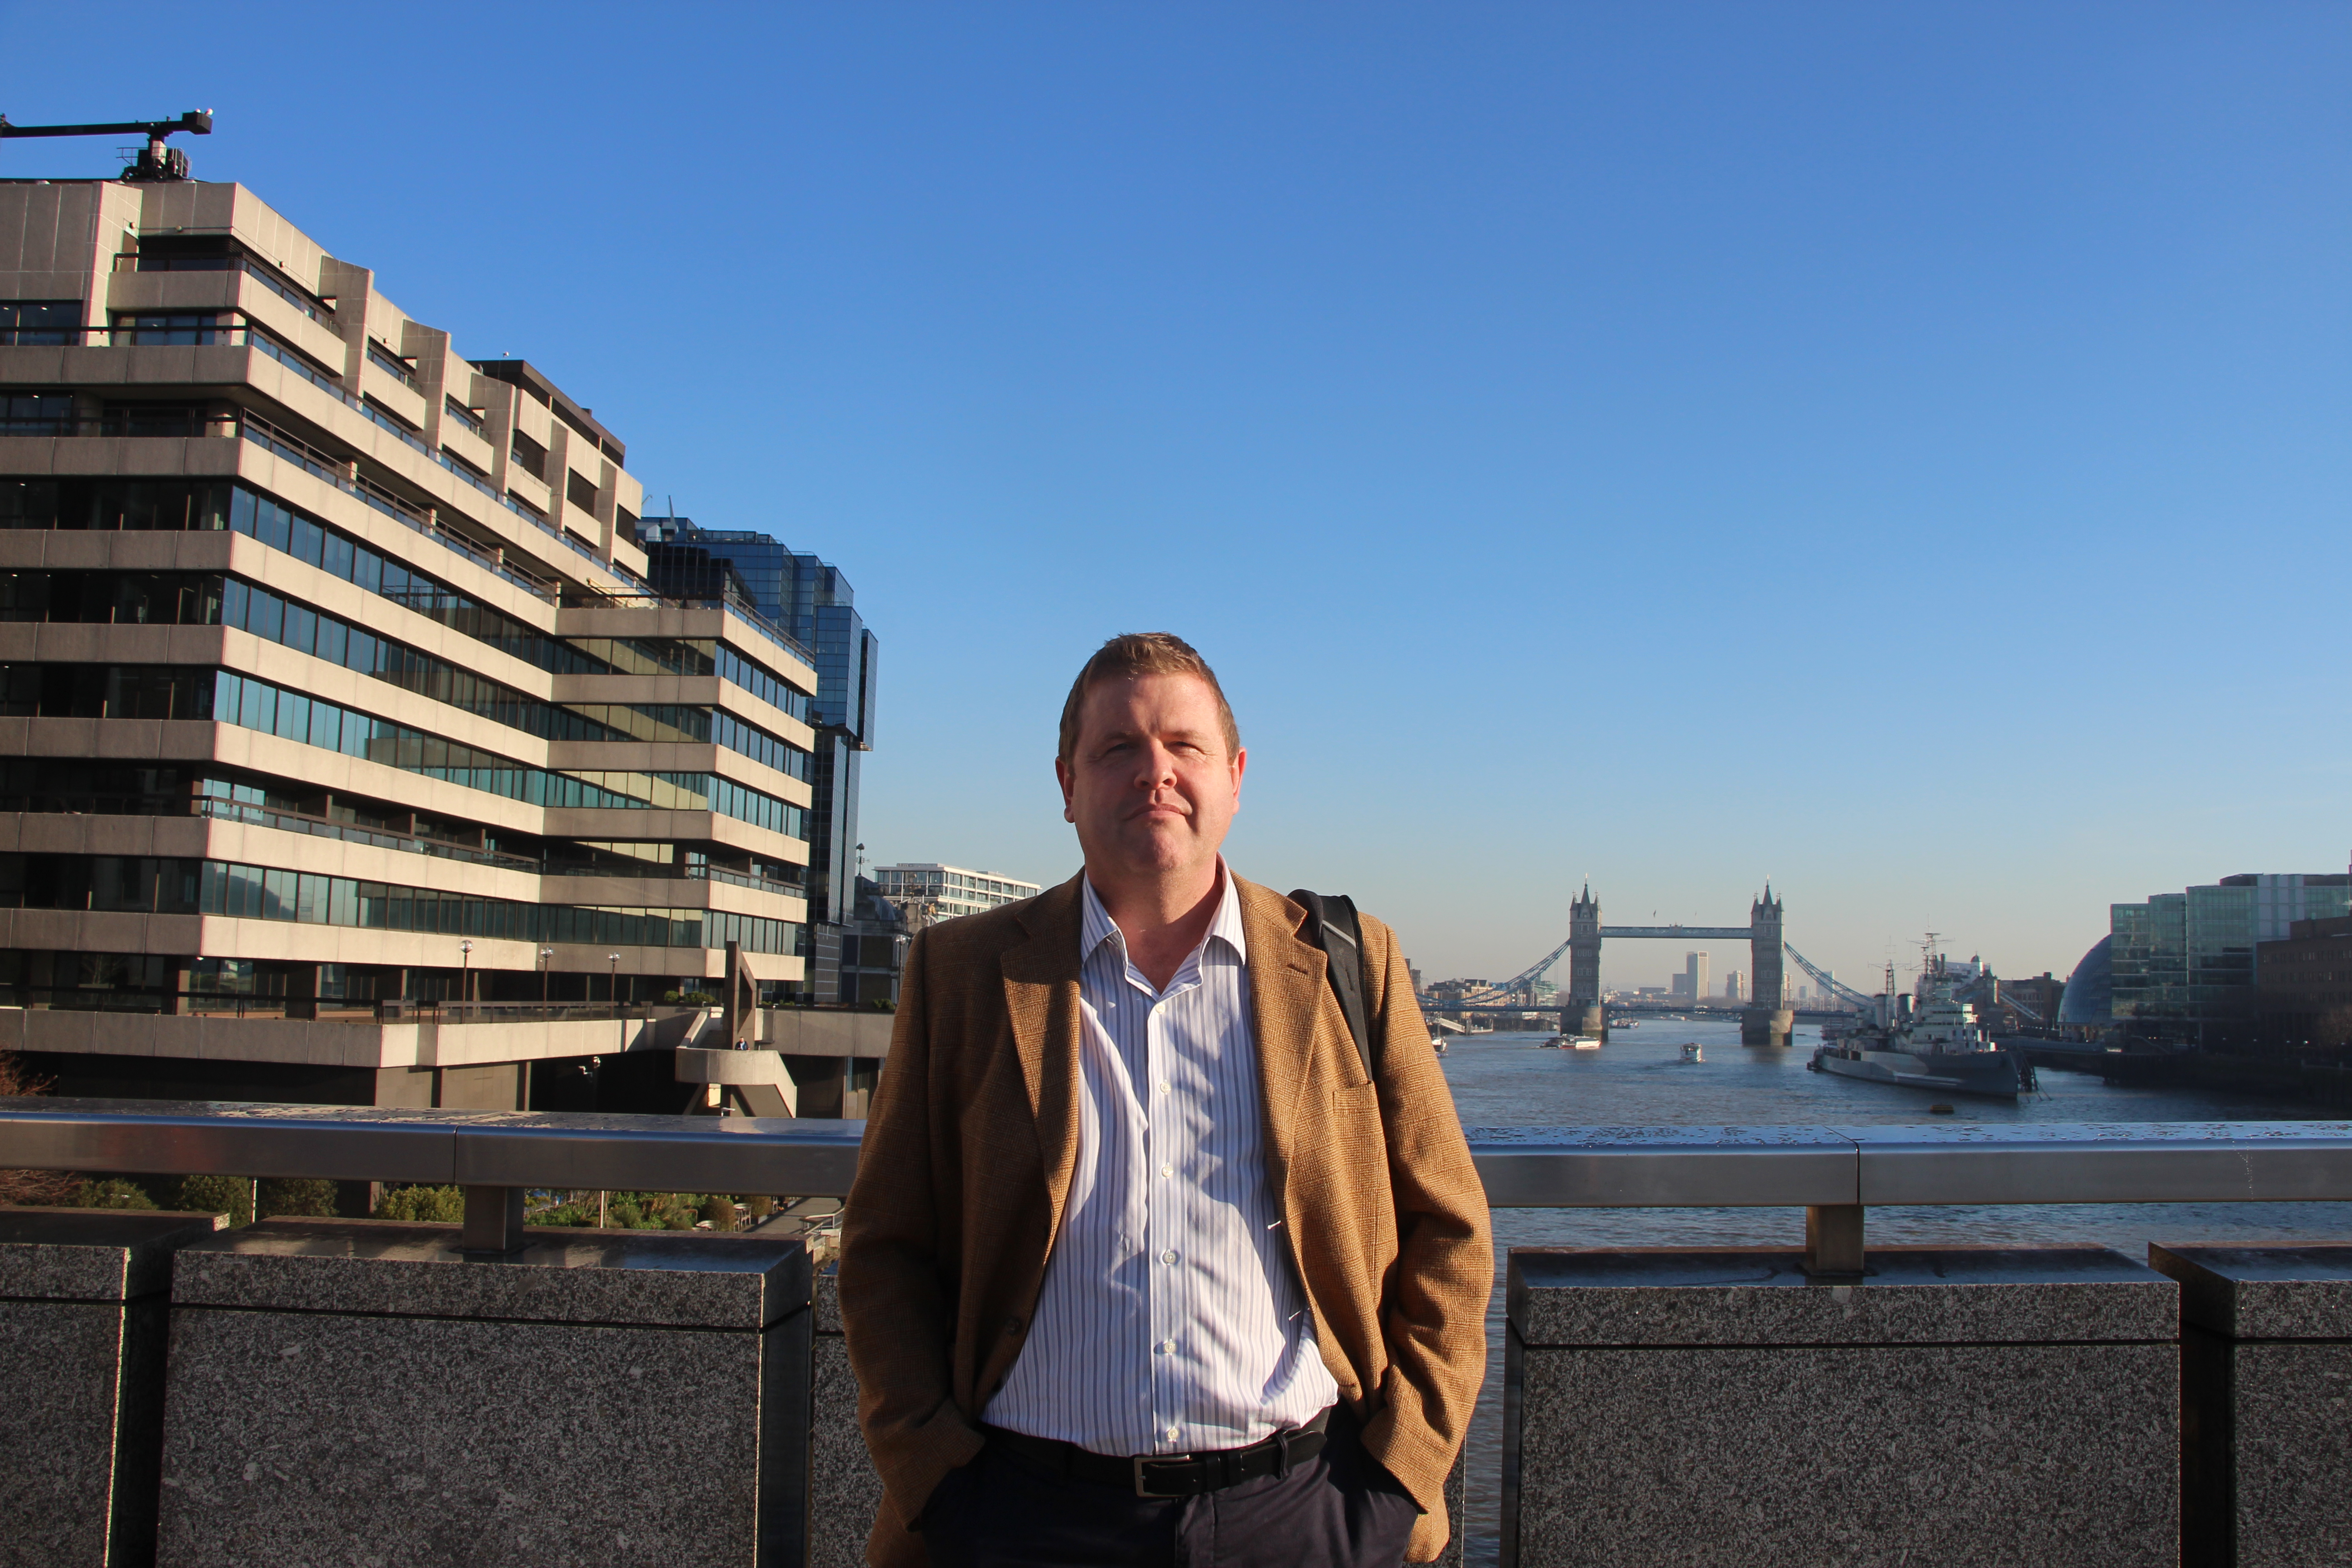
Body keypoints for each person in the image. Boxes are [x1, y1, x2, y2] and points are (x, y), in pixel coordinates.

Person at [840, 632, 1491, 1568]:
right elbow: (882, 1249)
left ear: (1233, 776)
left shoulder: (1351, 962)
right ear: (1066, 785)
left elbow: (1451, 1228)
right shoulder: (964, 974)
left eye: (1184, 747)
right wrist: (936, 1476)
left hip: (1306, 1509)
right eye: (1118, 750)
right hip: (1023, 1514)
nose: (1156, 773)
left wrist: (1398, 1476)